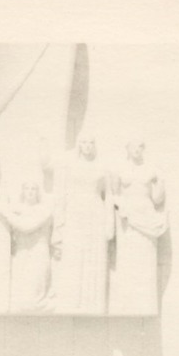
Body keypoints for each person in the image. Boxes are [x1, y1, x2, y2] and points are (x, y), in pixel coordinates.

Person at [50, 133, 112, 314]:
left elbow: (109, 197)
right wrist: (59, 226)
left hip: (96, 212)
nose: (87, 146)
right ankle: (71, 301)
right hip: (75, 213)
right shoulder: (70, 167)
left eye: (91, 142)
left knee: (95, 255)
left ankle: (94, 303)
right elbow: (61, 195)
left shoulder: (102, 168)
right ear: (79, 145)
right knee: (75, 254)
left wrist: (110, 224)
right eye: (84, 142)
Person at [108, 139, 168, 316]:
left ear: (143, 149)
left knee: (145, 260)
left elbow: (157, 199)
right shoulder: (119, 169)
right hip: (127, 219)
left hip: (146, 215)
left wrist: (160, 183)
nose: (137, 150)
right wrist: (121, 208)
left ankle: (145, 306)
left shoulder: (151, 169)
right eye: (133, 146)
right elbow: (114, 195)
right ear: (127, 148)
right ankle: (127, 306)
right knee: (127, 260)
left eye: (140, 146)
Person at [0, 180, 55, 312]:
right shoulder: (17, 209)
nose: (30, 192)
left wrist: (4, 211)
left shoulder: (44, 210)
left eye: (33, 189)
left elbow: (26, 226)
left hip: (38, 253)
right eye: (27, 188)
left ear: (38, 192)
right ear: (22, 192)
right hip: (21, 253)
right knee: (20, 297)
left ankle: (52, 303)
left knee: (33, 301)